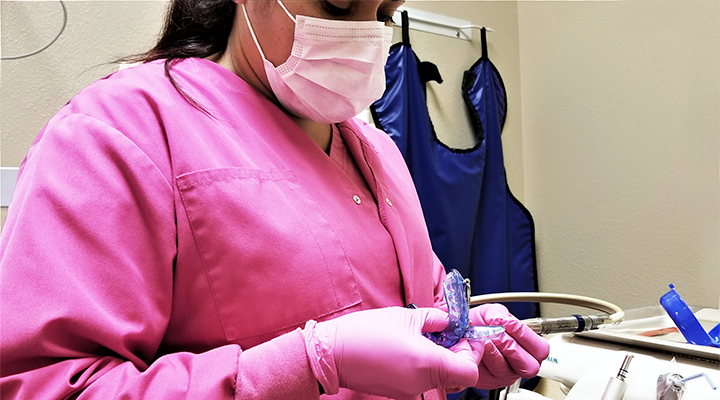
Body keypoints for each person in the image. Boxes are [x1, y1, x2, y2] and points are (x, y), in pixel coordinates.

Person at [0, 0, 549, 399]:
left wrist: (460, 340)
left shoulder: (378, 152)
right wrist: (306, 364)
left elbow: (411, 303)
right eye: (337, 3)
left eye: (382, 13)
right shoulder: (119, 132)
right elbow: (44, 387)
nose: (364, 34)